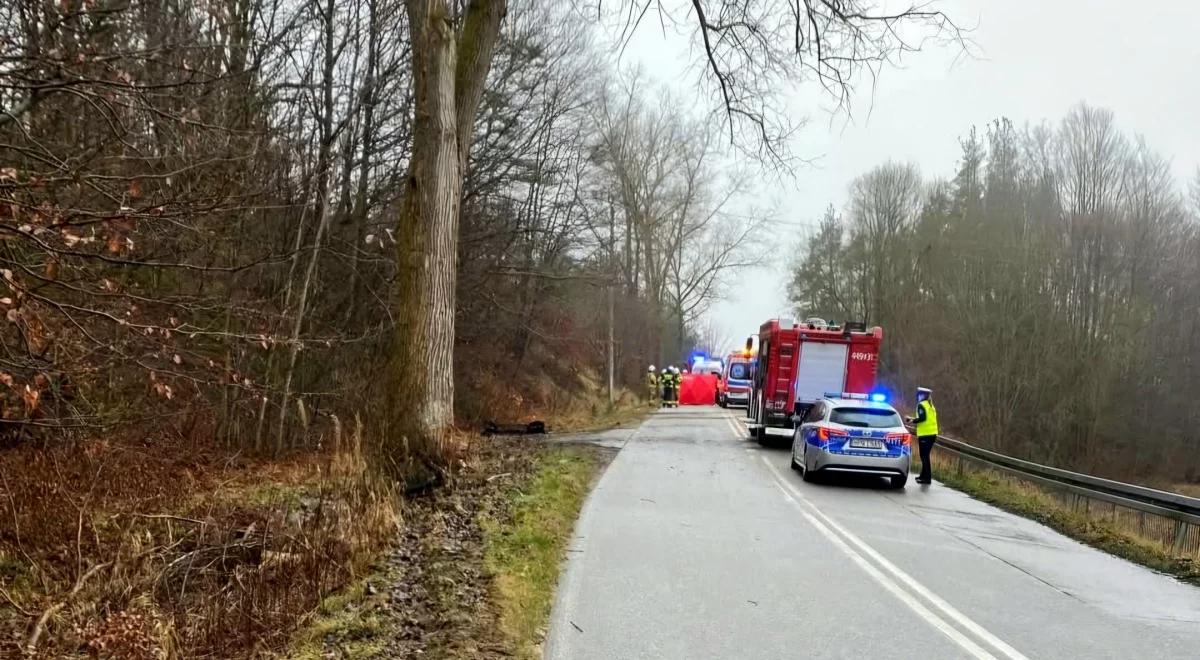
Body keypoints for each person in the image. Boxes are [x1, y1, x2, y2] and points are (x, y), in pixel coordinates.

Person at [909, 387, 939, 484]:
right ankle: (923, 476)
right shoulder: (930, 405)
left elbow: (922, 418)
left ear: (922, 395)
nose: (918, 396)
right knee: (925, 456)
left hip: (925, 434)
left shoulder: (921, 405)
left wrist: (912, 420)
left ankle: (927, 478)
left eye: (919, 395)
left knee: (924, 456)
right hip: (932, 433)